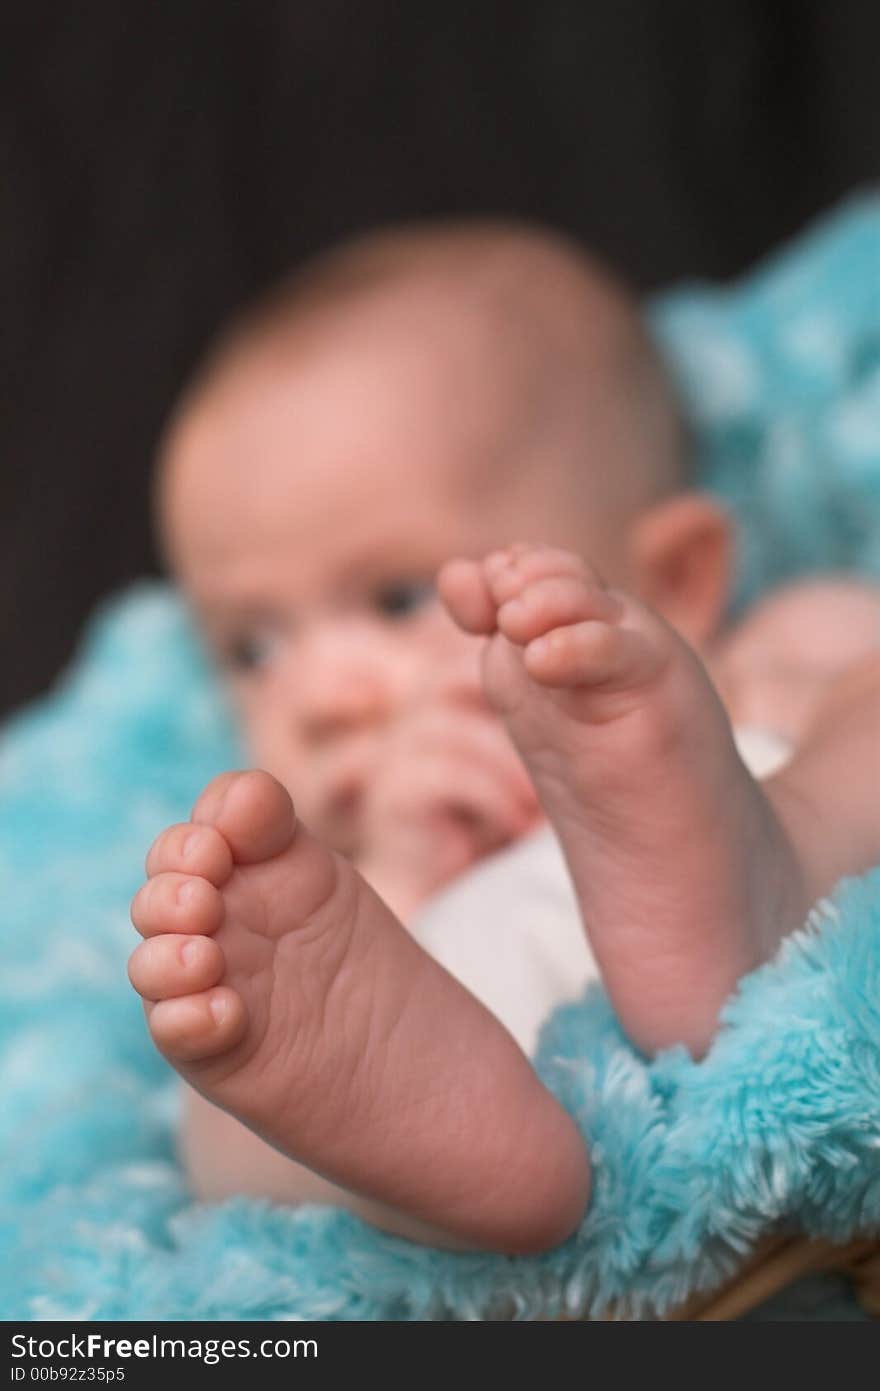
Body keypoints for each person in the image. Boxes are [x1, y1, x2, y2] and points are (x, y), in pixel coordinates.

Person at [126, 221, 880, 1253]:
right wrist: (397, 868)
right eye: (253, 647)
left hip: (755, 819)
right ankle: (441, 1155)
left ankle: (768, 861)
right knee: (221, 1064)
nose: (315, 693)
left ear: (675, 581)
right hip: (474, 1025)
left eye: (391, 597)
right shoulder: (337, 883)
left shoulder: (762, 653)